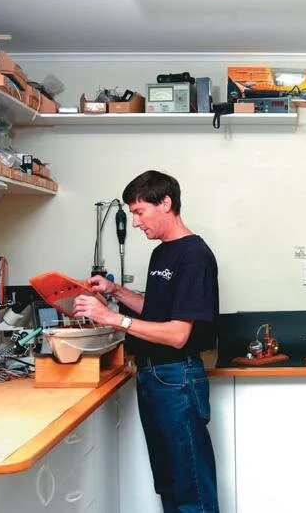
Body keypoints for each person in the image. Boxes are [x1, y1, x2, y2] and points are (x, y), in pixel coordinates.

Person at [73, 170, 220, 513]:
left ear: (165, 203)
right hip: (153, 377)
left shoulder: (194, 254)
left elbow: (177, 333)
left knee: (191, 488)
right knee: (168, 483)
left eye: (139, 212)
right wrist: (115, 292)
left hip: (177, 378)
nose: (136, 223)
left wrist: (111, 317)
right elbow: (156, 310)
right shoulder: (161, 253)